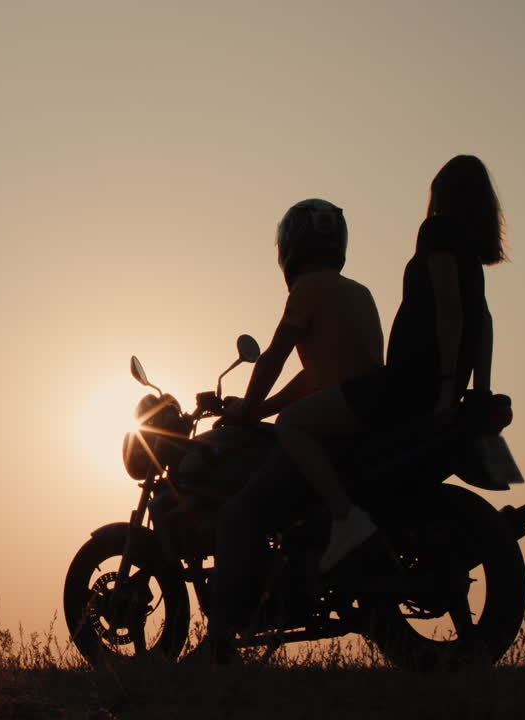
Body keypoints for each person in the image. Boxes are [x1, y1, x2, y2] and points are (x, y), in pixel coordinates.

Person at [273, 155, 507, 573]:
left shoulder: (436, 233)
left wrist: (443, 391)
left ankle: (346, 519)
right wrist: (478, 390)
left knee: (289, 423)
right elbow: (483, 322)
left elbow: (451, 312)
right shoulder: (470, 252)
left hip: (405, 384)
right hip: (435, 386)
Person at [199, 198, 384, 663]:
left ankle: (220, 638)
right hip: (360, 423)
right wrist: (258, 411)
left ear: (291, 244)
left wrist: (248, 410)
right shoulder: (358, 292)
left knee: (237, 515)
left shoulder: (305, 291)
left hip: (329, 435)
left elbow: (274, 357)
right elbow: (316, 376)